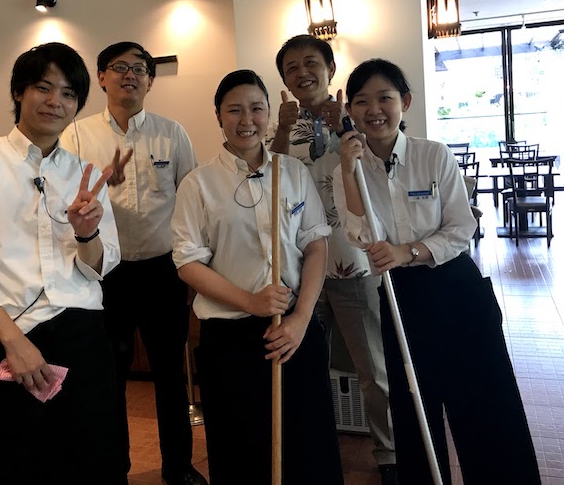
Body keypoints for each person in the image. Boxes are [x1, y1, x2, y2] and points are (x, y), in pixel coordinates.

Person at [334, 59, 541, 484]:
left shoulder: (433, 154)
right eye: (362, 101)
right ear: (350, 111)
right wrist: (351, 173)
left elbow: (462, 228)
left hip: (456, 288)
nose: (374, 109)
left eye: (385, 98)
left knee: (485, 402)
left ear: (405, 102)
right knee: (414, 406)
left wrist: (408, 251)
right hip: (401, 298)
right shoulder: (346, 169)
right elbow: (360, 235)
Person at [0, 42, 122, 484]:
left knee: (96, 459)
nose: (55, 101)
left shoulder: (84, 173)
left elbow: (100, 267)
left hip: (83, 335)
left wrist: (86, 232)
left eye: (68, 93)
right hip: (12, 333)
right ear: (19, 92)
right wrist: (14, 342)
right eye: (44, 87)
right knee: (19, 463)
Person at [171, 69, 344, 485]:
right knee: (241, 452)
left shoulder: (292, 172)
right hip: (230, 338)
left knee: (308, 446)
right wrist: (250, 301)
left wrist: (301, 320)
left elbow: (316, 244)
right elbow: (188, 263)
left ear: (269, 114)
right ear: (218, 115)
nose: (246, 120)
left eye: (256, 108)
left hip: (294, 330)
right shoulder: (198, 184)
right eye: (234, 110)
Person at [60, 41, 205, 485]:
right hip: (105, 274)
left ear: (150, 80)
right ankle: (113, 470)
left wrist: (192, 268)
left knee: (170, 375)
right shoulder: (77, 136)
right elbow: (63, 202)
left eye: (139, 69)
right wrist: (103, 190)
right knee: (110, 376)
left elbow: (191, 203)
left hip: (162, 271)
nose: (130, 75)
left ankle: (178, 467)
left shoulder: (172, 133)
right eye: (119, 67)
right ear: (101, 77)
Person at [269, 34, 398, 484]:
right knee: (307, 369)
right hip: (299, 268)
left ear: (329, 69)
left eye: (311, 63)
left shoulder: (358, 117)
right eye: (291, 67)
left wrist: (344, 123)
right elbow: (267, 177)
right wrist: (281, 130)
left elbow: (373, 167)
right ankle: (315, 450)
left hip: (351, 261)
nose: (301, 72)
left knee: (373, 367)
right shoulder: (278, 128)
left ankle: (390, 454)